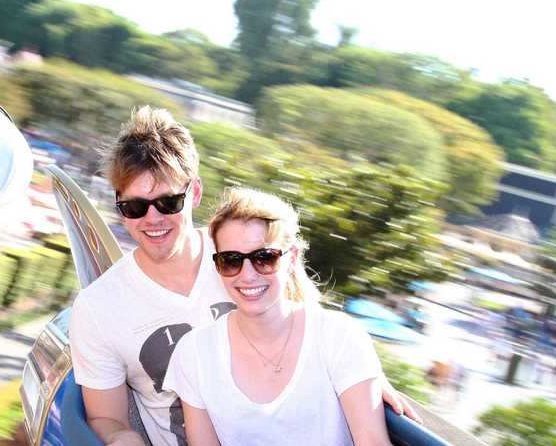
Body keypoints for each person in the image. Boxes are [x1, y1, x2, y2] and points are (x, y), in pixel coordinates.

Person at [69, 107, 417, 446]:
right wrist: (121, 438)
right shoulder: (99, 307)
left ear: (195, 193)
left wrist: (364, 378)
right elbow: (105, 416)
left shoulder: (245, 256)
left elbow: (309, 328)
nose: (152, 219)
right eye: (134, 207)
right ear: (118, 204)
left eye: (168, 203)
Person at [164, 187, 391, 445]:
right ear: (217, 265)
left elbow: (372, 440)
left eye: (265, 258)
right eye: (231, 260)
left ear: (291, 257)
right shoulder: (195, 353)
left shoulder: (338, 336)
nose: (247, 274)